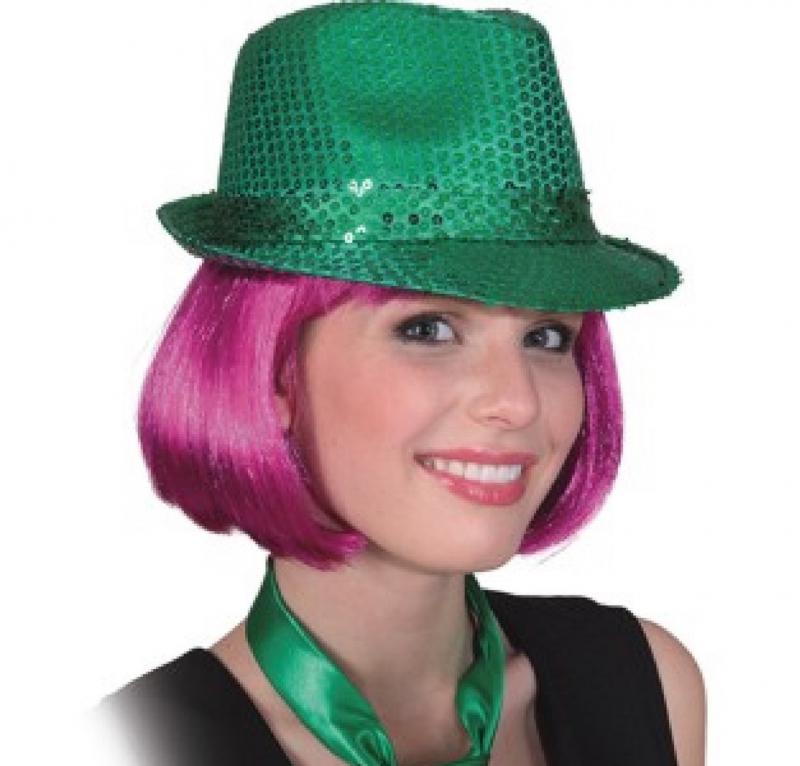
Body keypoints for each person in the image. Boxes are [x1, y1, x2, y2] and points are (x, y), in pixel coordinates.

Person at [95, 2, 705, 765]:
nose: (517, 401)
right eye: (428, 329)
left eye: (547, 337)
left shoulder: (643, 685)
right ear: (274, 369)